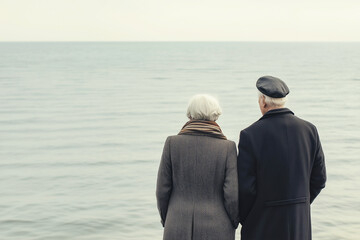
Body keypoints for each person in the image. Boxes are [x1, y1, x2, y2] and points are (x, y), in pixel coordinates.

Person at [237, 76, 327, 240]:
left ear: (263, 101)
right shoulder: (309, 130)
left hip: (262, 225)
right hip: (299, 223)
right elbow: (319, 179)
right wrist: (300, 204)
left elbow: (246, 188)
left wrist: (247, 218)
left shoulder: (250, 135)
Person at [156, 94, 239, 240]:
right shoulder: (227, 147)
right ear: (216, 115)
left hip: (176, 224)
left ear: (190, 114)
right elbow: (231, 195)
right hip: (218, 227)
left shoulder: (172, 143)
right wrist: (234, 221)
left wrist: (168, 219)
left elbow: (162, 190)